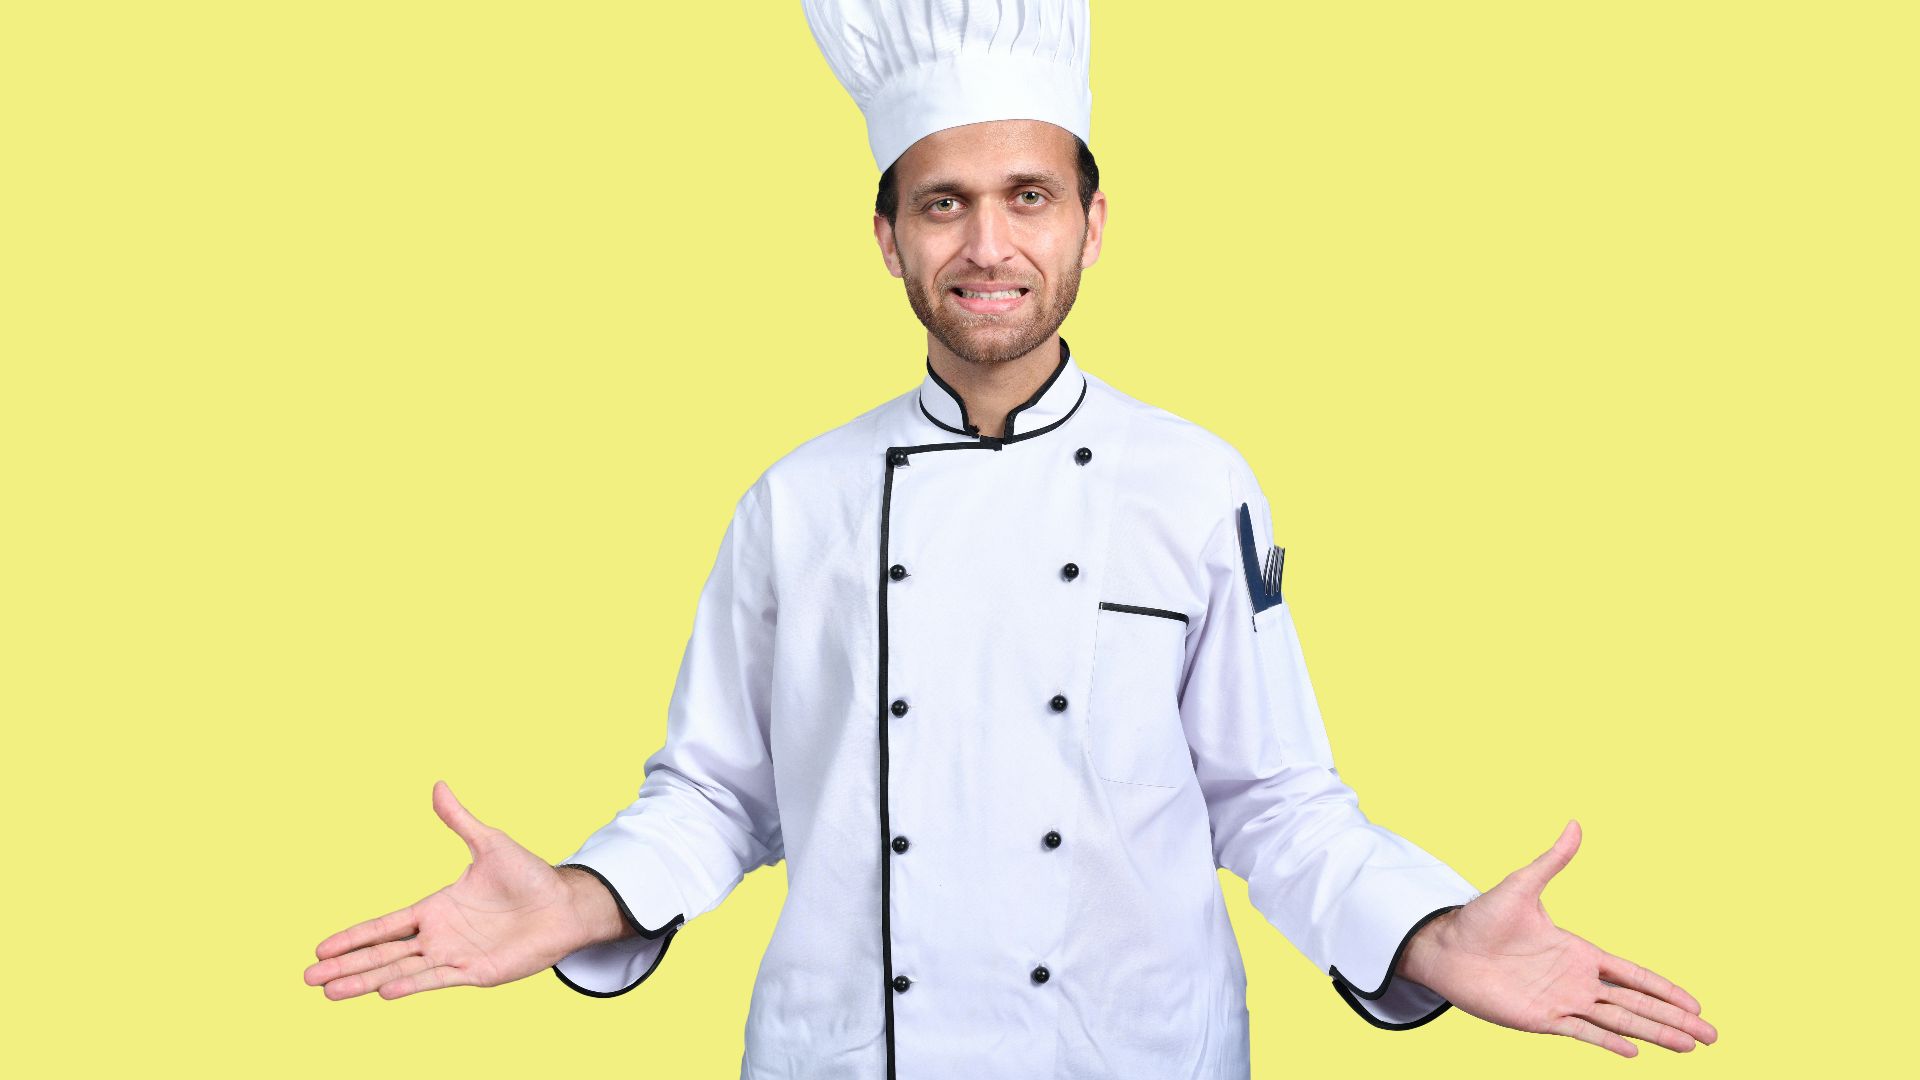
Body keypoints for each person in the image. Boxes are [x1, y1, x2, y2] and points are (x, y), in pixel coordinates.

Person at [305, 1, 1717, 1075]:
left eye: (1028, 197)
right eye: (945, 204)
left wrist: (1428, 932)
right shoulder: (797, 500)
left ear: (1094, 224)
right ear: (887, 236)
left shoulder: (1195, 482)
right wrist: (578, 896)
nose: (988, 246)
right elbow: (722, 795)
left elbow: (1274, 801)